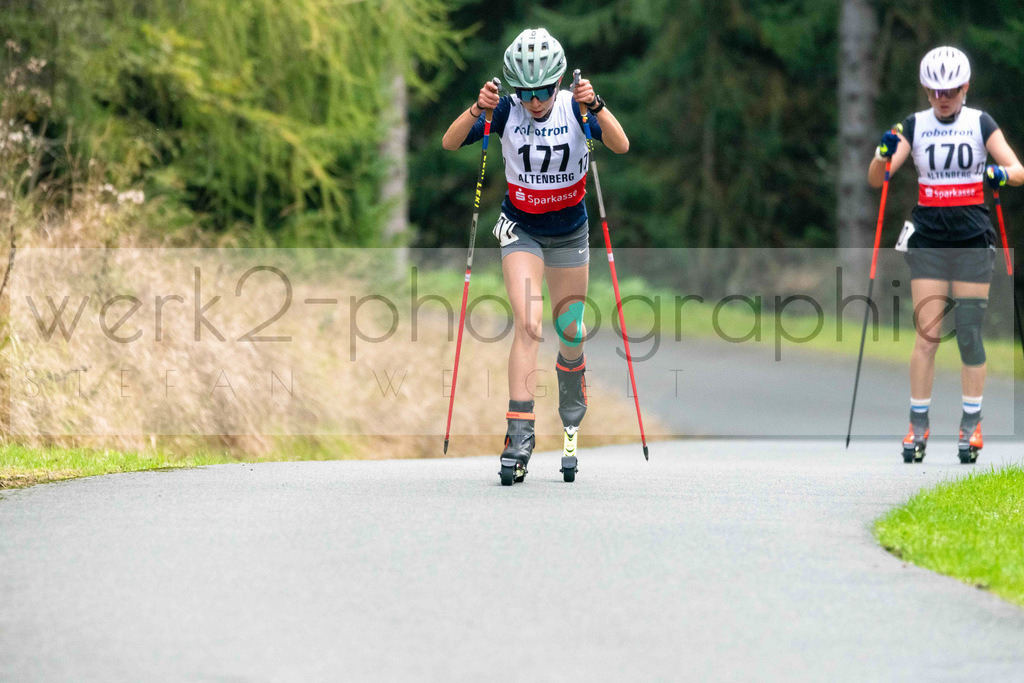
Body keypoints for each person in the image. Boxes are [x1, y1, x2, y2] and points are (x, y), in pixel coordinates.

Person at [442, 28, 629, 484]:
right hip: (521, 229)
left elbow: (621, 145)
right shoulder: (506, 111)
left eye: (544, 90)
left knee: (570, 327)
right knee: (527, 323)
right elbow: (450, 142)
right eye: (526, 92)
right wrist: (478, 108)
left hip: (569, 232)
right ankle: (519, 434)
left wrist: (597, 106)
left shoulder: (575, 107)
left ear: (559, 81)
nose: (536, 100)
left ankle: (572, 390)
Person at [869, 46, 1023, 464]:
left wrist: (999, 174)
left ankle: (971, 424)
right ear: (926, 90)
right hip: (931, 239)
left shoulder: (980, 123)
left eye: (952, 89)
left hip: (972, 236)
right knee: (928, 335)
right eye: (936, 90)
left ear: (965, 87)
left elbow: (1018, 170)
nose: (944, 97)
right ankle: (918, 426)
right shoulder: (914, 126)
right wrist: (882, 152)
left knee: (969, 334)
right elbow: (877, 177)